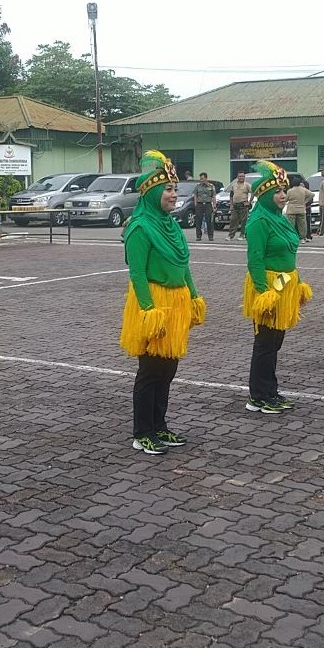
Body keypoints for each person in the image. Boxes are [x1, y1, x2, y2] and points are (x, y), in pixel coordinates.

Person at [120, 150, 206, 455]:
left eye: (174, 189)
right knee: (150, 370)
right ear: (154, 191)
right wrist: (148, 311)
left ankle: (159, 426)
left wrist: (194, 295)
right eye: (168, 189)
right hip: (153, 303)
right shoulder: (140, 227)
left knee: (168, 369)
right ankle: (142, 431)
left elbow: (183, 264)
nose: (173, 194)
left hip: (177, 302)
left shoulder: (172, 227)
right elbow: (137, 274)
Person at [243, 160, 312, 413]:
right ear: (263, 195)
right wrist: (264, 293)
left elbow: (289, 256)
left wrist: (298, 281)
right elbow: (255, 260)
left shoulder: (279, 218)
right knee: (264, 343)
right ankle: (258, 396)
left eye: (284, 191)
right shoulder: (259, 220)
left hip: (283, 283)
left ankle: (270, 390)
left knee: (275, 343)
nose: (282, 196)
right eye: (277, 192)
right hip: (268, 286)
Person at [285, 176, 314, 243]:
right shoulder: (303, 190)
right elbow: (312, 195)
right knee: (302, 225)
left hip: (291, 210)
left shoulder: (290, 191)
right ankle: (302, 238)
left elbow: (286, 199)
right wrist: (305, 201)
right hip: (301, 209)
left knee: (291, 225)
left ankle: (291, 238)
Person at [192, 172, 216, 242]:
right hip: (199, 204)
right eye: (200, 178)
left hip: (208, 204)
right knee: (198, 221)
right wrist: (196, 205)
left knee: (209, 221)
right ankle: (198, 236)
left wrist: (214, 205)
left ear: (206, 178)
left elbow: (213, 196)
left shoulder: (211, 186)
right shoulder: (198, 186)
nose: (201, 180)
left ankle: (210, 236)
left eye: (202, 178)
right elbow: (195, 195)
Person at [228, 170, 252, 240]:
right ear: (237, 177)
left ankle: (242, 235)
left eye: (243, 176)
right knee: (233, 220)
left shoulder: (247, 185)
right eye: (240, 176)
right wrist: (231, 204)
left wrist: (249, 201)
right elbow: (231, 195)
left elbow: (253, 192)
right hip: (235, 206)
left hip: (243, 205)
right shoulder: (234, 185)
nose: (241, 177)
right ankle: (230, 235)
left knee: (244, 221)